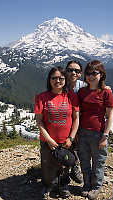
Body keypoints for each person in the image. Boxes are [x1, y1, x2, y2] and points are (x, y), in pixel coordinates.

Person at [34, 66, 79, 199]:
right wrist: (48, 139)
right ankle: (49, 185)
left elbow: (76, 118)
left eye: (61, 78)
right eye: (54, 78)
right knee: (48, 165)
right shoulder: (42, 97)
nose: (57, 81)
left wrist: (71, 138)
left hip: (67, 141)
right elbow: (39, 121)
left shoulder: (71, 96)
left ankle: (63, 185)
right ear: (49, 80)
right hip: (47, 140)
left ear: (65, 79)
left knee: (65, 165)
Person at [77, 60, 113, 199]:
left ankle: (96, 187)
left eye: (94, 73)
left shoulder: (106, 93)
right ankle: (86, 184)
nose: (91, 76)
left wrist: (105, 135)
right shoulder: (82, 92)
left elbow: (110, 116)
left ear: (101, 75)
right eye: (88, 73)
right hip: (83, 132)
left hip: (99, 133)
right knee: (85, 161)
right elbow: (78, 113)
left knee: (98, 163)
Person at [65, 60, 86, 184]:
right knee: (67, 146)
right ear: (66, 71)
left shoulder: (84, 86)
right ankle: (67, 172)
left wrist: (105, 88)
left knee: (77, 146)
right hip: (65, 121)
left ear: (80, 73)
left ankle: (74, 167)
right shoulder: (60, 84)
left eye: (76, 71)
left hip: (80, 121)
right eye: (70, 70)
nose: (73, 72)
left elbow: (97, 89)